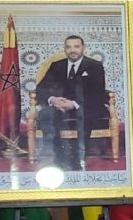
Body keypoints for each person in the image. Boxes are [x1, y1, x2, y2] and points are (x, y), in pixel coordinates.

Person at [35, 35, 109, 170]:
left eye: (76, 46)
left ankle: (76, 158)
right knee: (45, 114)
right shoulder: (57, 66)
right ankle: (58, 156)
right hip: (59, 106)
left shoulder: (95, 66)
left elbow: (97, 93)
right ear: (65, 49)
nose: (72, 50)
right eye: (68, 47)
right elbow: (41, 88)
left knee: (85, 114)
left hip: (85, 106)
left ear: (83, 48)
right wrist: (53, 99)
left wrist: (74, 104)